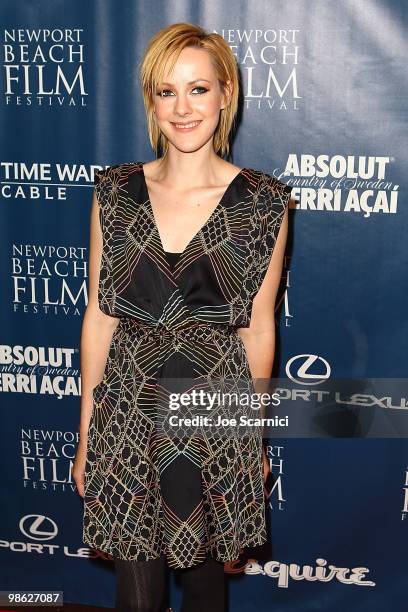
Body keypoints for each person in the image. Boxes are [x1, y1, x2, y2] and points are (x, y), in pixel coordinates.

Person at [72, 21, 292, 612]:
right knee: (137, 595)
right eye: (167, 91)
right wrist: (89, 428)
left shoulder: (265, 202)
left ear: (225, 94)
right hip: (127, 408)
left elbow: (259, 327)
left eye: (198, 89)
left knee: (203, 587)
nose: (183, 107)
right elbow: (100, 315)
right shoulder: (113, 191)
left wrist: (254, 436)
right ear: (151, 101)